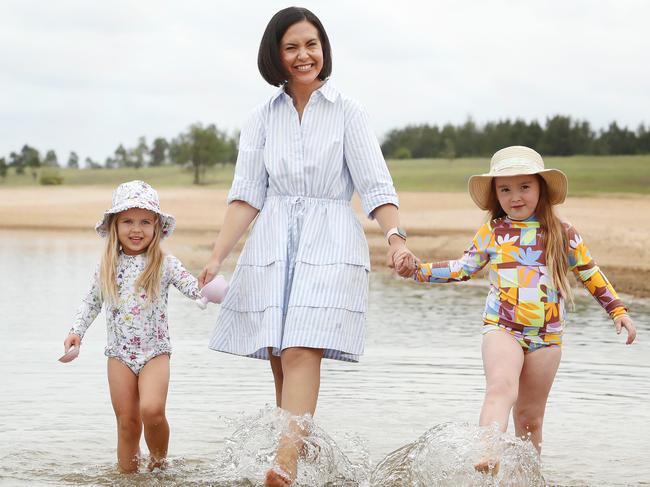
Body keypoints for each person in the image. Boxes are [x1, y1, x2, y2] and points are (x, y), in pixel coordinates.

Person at [198, 7, 414, 486]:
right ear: (276, 54)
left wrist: (396, 240)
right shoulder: (259, 119)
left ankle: (285, 468)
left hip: (331, 237)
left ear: (324, 50)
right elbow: (246, 194)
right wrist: (217, 256)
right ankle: (304, 453)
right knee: (280, 357)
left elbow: (377, 186)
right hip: (274, 238)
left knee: (300, 350)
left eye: (311, 44)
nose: (303, 55)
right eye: (292, 46)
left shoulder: (348, 112)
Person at [394, 146, 636, 473]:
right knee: (500, 387)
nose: (515, 196)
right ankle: (488, 452)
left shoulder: (563, 233)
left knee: (530, 420)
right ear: (496, 194)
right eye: (505, 189)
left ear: (540, 188)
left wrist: (617, 311)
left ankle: (527, 479)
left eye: (524, 187)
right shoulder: (494, 232)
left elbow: (590, 272)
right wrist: (418, 270)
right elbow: (462, 268)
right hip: (502, 328)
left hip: (546, 338)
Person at [62, 180, 201, 473]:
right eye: (127, 221)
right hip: (119, 355)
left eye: (144, 222)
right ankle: (127, 478)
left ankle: (159, 467)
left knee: (151, 411)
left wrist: (210, 290)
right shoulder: (107, 266)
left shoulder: (164, 263)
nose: (136, 229)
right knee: (127, 422)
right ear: (114, 225)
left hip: (155, 353)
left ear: (157, 227)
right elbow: (90, 303)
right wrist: (76, 331)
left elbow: (194, 289)